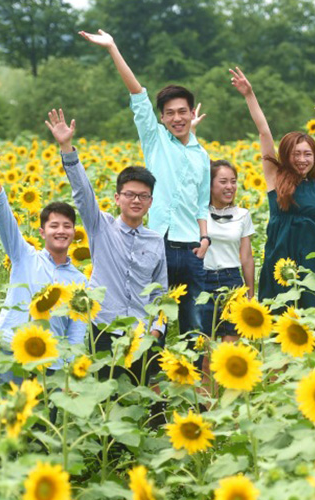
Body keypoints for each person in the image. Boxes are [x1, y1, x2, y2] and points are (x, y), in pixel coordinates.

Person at [79, 29, 210, 343]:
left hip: (192, 247)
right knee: (153, 317)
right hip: (158, 245)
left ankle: (192, 388)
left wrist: (205, 239)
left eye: (183, 112)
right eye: (170, 113)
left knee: (194, 323)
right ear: (162, 118)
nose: (177, 118)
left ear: (192, 114)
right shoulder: (155, 142)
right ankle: (151, 382)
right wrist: (112, 47)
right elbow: (138, 94)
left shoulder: (202, 155)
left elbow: (202, 202)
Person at [46, 109, 167, 385]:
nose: (136, 200)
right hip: (103, 330)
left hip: (141, 335)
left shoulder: (155, 240)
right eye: (129, 195)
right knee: (106, 400)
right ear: (117, 198)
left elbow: (161, 292)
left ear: (150, 201)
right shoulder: (101, 227)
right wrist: (67, 147)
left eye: (143, 196)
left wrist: (156, 332)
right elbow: (82, 192)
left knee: (141, 401)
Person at [229, 68, 315, 307]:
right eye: (296, 154)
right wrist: (249, 95)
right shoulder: (275, 178)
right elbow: (264, 132)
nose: (302, 159)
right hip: (280, 263)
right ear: (286, 155)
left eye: (308, 154)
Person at [0, 136, 88, 384]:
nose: (61, 231)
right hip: (10, 354)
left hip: (51, 367)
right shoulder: (24, 255)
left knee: (43, 424)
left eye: (67, 226)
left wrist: (69, 373)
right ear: (42, 232)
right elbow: (4, 216)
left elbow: (76, 333)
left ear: (74, 233)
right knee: (5, 420)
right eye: (54, 225)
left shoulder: (80, 281)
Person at [200, 160, 256, 341]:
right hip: (202, 281)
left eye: (233, 181)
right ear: (209, 185)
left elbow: (246, 258)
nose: (230, 187)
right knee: (204, 348)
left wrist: (250, 295)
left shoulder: (243, 215)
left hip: (232, 280)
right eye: (223, 182)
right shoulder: (198, 213)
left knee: (231, 344)